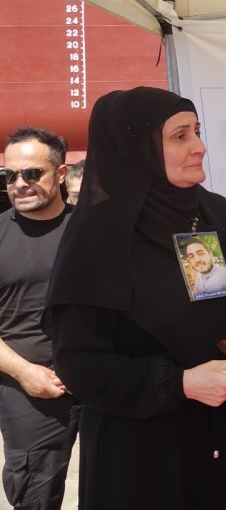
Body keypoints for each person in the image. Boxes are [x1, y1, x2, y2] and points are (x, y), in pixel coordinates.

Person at [45, 87, 226, 509]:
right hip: (146, 448)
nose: (199, 147)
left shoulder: (214, 211)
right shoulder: (98, 235)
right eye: (180, 136)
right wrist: (181, 384)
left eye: (197, 132)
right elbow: (80, 363)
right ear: (136, 148)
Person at [0, 127, 79, 510]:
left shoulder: (93, 230)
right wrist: (25, 372)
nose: (19, 184)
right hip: (29, 392)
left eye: (31, 173)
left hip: (104, 382)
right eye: (9, 175)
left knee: (121, 487)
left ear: (60, 174)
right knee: (34, 497)